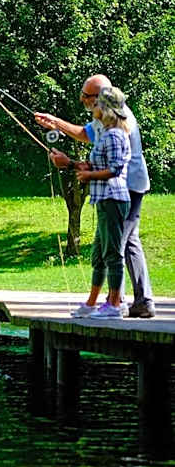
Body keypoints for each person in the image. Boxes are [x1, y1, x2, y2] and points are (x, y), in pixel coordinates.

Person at [35, 74, 155, 317]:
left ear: (101, 99)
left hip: (126, 188)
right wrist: (56, 123)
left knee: (115, 246)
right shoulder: (108, 118)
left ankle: (115, 302)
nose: (83, 101)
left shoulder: (119, 123)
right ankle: (141, 302)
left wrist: (72, 166)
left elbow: (111, 166)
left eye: (87, 97)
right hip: (117, 188)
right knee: (128, 243)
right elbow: (84, 133)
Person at [67, 87, 132, 319]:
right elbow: (99, 165)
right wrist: (71, 163)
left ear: (105, 109)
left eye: (96, 105)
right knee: (99, 255)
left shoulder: (115, 134)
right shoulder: (106, 133)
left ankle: (114, 305)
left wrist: (88, 176)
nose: (92, 108)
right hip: (104, 200)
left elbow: (114, 169)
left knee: (113, 254)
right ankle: (92, 303)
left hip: (113, 199)